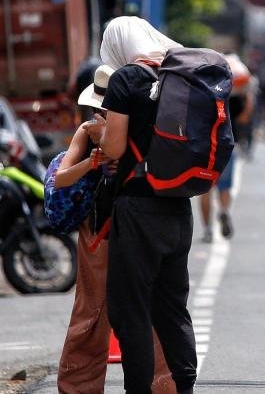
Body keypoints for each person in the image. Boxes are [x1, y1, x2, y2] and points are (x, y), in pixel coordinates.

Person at [84, 16, 196, 394]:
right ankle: (185, 386)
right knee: (172, 308)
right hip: (179, 205)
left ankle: (138, 390)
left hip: (139, 208)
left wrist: (100, 136)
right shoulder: (180, 73)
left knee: (130, 309)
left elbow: (115, 149)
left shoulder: (126, 78)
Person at [56, 64, 175, 394]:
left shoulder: (142, 125)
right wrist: (92, 162)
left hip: (132, 229)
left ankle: (161, 387)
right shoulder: (89, 131)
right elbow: (60, 179)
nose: (103, 113)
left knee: (141, 314)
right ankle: (80, 387)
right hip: (101, 232)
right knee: (94, 314)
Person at [200, 54, 254, 243]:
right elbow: (244, 119)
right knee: (224, 188)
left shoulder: (206, 93)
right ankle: (223, 211)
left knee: (205, 189)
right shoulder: (236, 97)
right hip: (229, 145)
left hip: (206, 147)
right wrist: (249, 97)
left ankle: (207, 229)